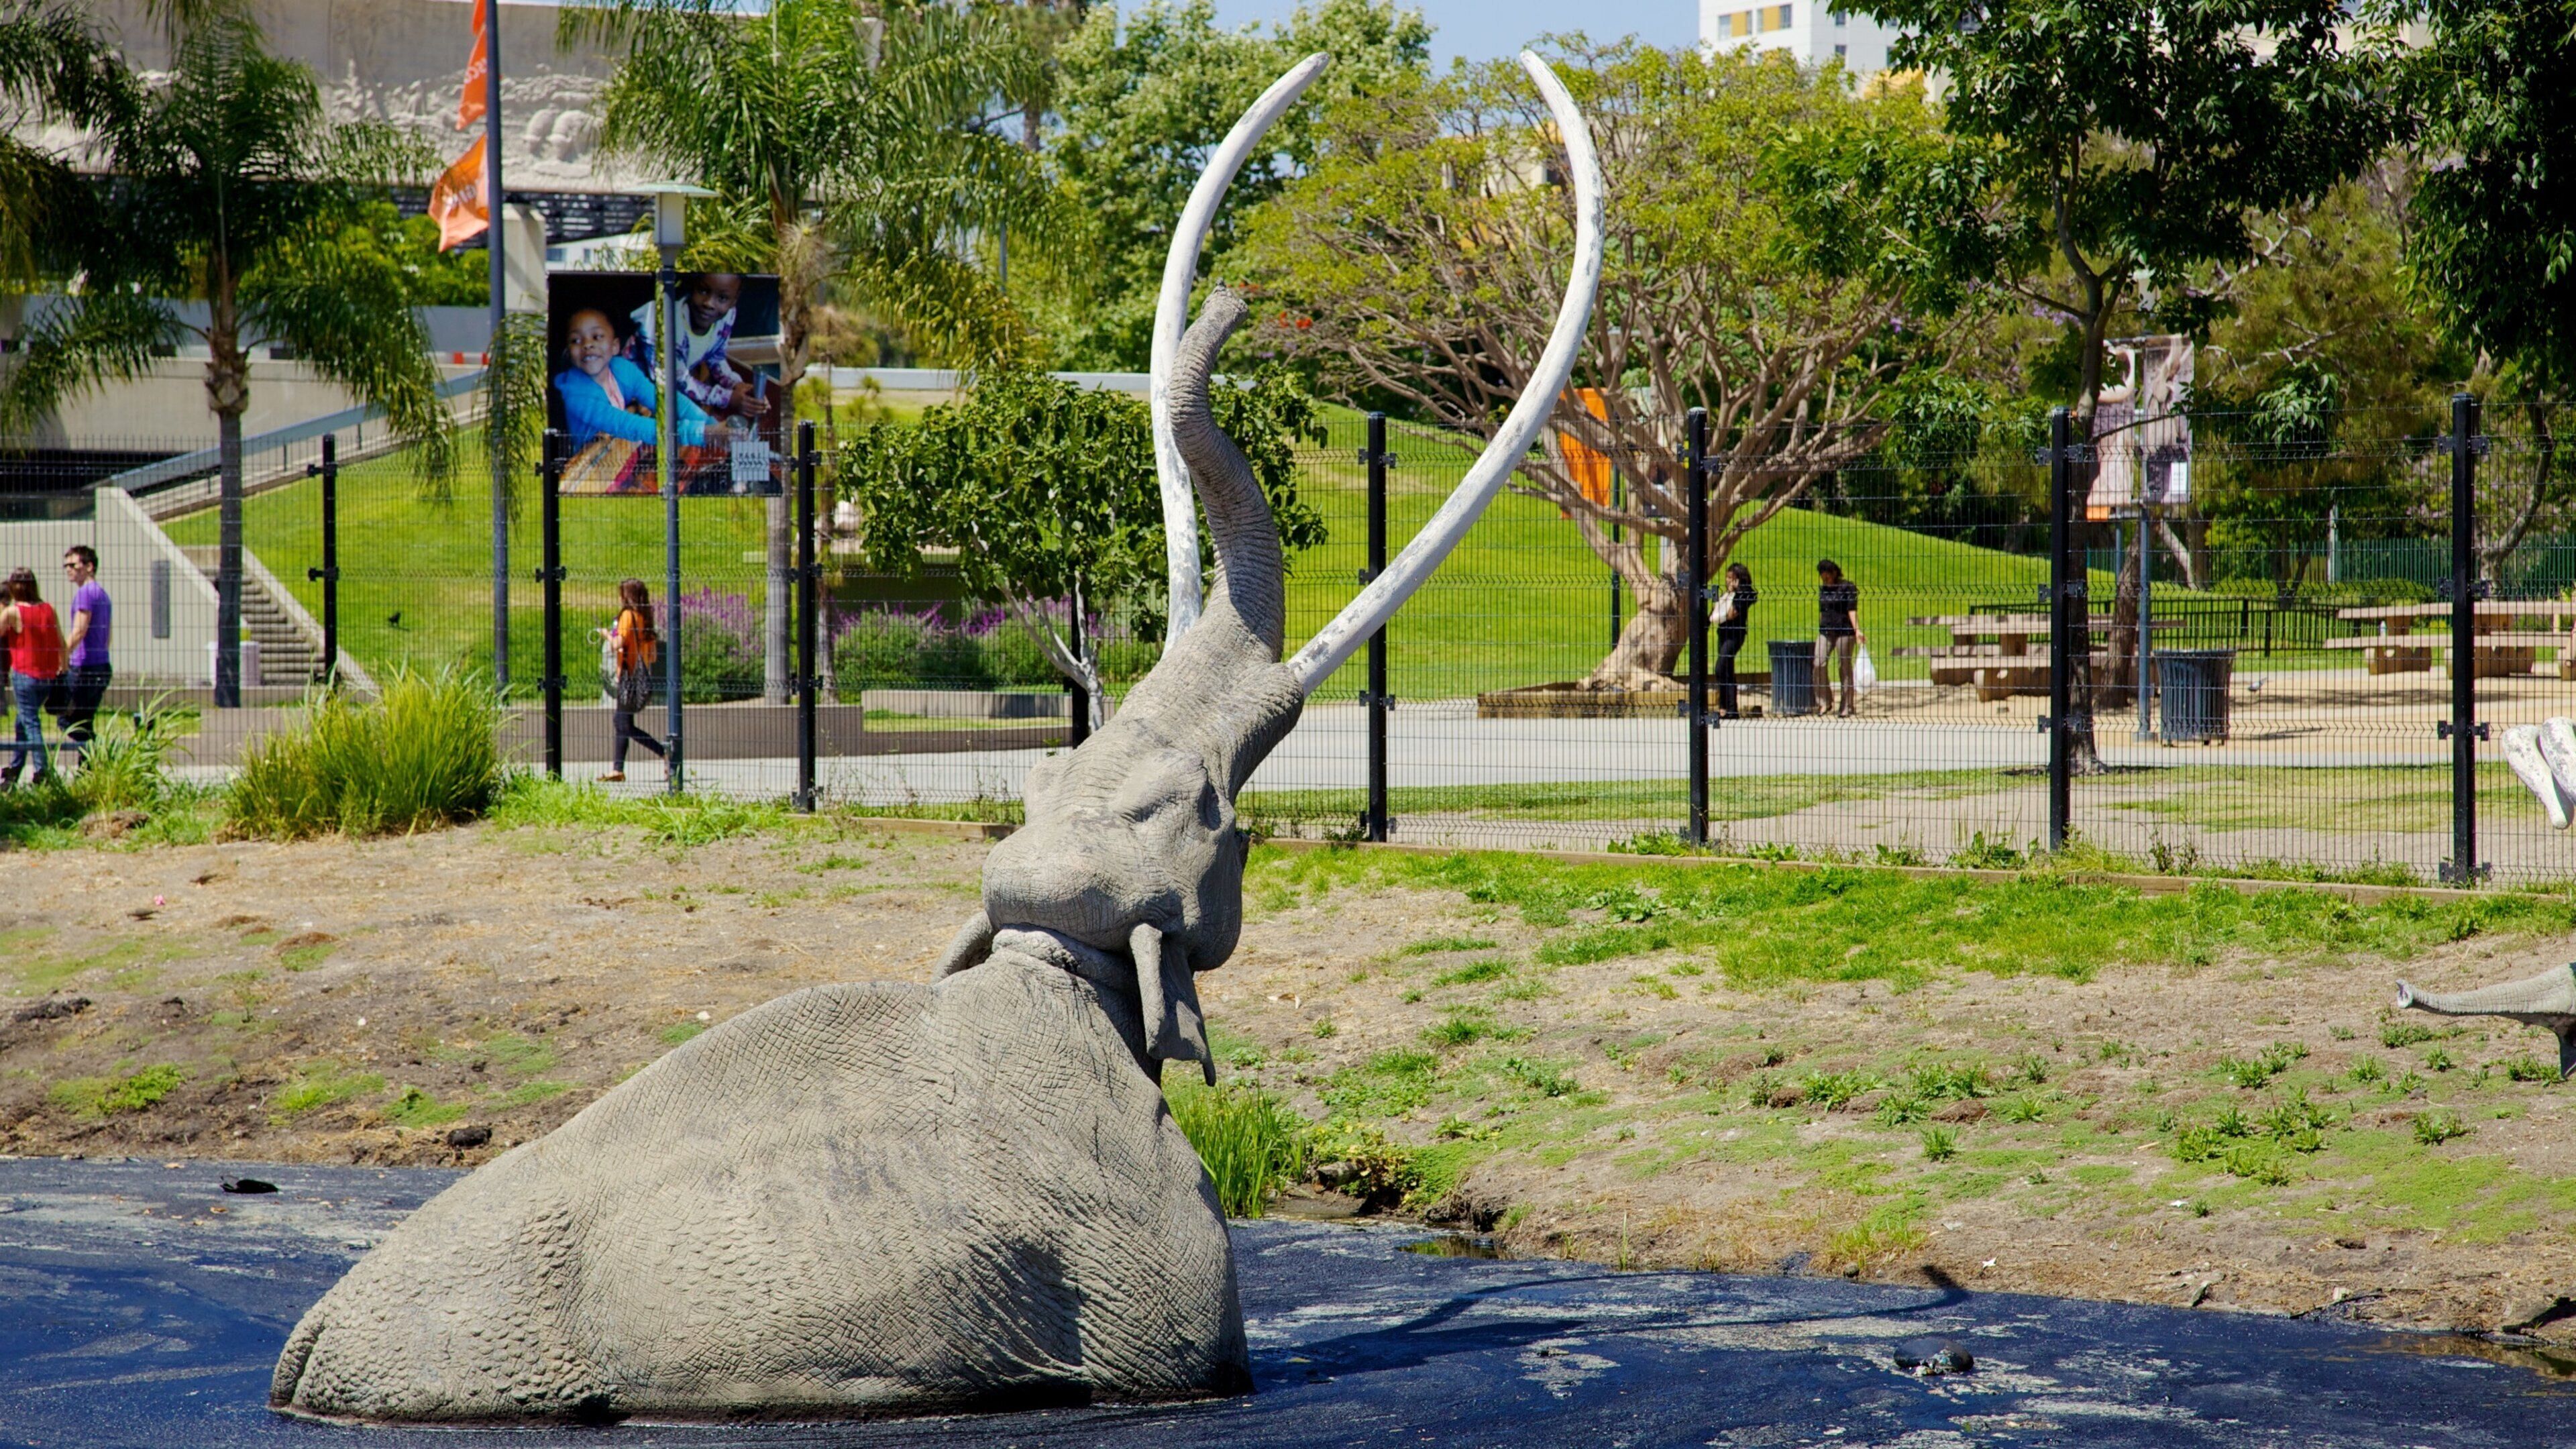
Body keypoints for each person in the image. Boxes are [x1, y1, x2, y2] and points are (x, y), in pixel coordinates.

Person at [554, 307, 710, 454]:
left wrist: (711, 424)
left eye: (597, 337)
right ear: (569, 353)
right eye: (575, 340)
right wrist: (703, 434)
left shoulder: (623, 368)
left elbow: (665, 400)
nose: (587, 344)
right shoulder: (576, 395)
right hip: (590, 471)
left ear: (615, 346)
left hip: (617, 448)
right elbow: (629, 426)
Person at [0, 567, 64, 785]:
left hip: (24, 674)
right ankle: (15, 770)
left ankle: (42, 772)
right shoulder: (49, 608)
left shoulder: (13, 612)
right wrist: (62, 670)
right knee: (22, 722)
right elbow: (61, 643)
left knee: (31, 724)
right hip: (47, 676)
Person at [600, 578, 664, 783]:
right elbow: (652, 656)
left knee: (622, 723)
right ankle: (618, 769)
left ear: (627, 596)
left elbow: (617, 643)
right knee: (623, 722)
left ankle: (665, 752)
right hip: (641, 678)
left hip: (628, 676)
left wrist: (606, 635)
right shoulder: (646, 618)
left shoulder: (627, 616)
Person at [55, 545, 109, 765]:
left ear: (89, 567)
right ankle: (89, 769)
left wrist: (62, 657)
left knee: (67, 720)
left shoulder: (85, 593)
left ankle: (102, 757)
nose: (69, 569)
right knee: (84, 723)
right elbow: (108, 634)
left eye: (73, 565)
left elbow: (79, 630)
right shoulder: (101, 593)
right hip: (100, 666)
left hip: (85, 668)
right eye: (66, 565)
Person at [1813, 558, 1864, 718]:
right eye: (1822, 575)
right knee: (1818, 662)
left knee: (1844, 666)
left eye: (1827, 575)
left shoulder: (1847, 587)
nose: (1825, 578)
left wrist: (1857, 631)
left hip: (1844, 631)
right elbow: (1822, 610)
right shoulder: (1823, 590)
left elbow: (1852, 610)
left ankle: (1847, 705)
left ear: (1834, 573)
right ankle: (1824, 701)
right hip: (1826, 631)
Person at [1713, 561, 1756, 718]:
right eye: (1727, 577)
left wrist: (1736, 592)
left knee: (1720, 667)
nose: (1728, 581)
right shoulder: (1727, 595)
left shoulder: (1743, 595)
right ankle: (1730, 709)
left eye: (1732, 578)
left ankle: (1726, 706)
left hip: (1735, 635)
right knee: (1727, 671)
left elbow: (1732, 613)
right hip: (1723, 634)